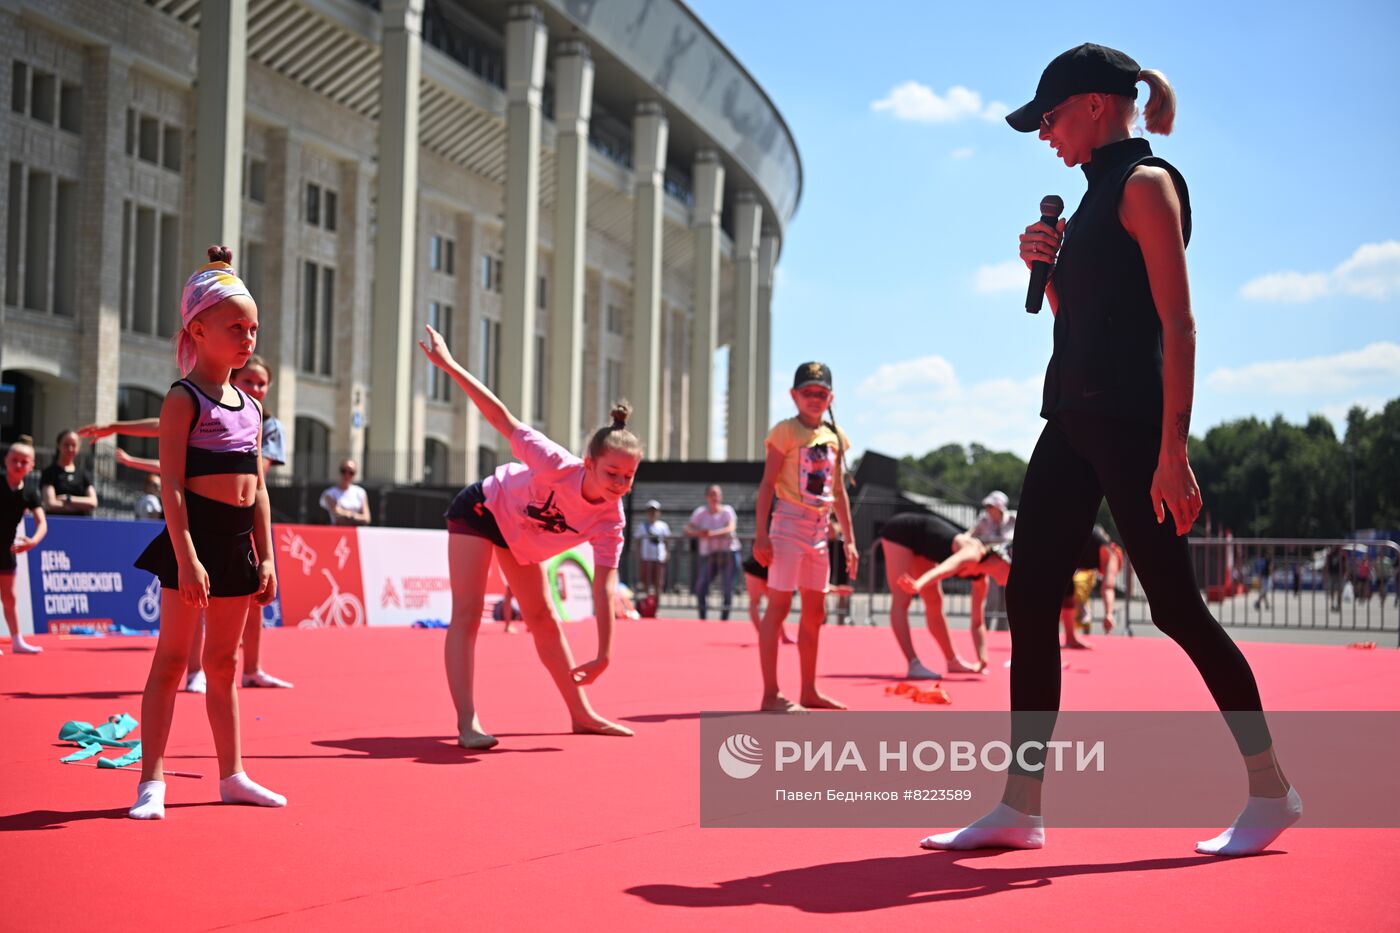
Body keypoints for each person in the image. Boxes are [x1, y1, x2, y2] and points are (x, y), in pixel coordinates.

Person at [921, 45, 1299, 858]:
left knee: (1176, 608)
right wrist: (1046, 269)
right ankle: (1020, 807)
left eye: (1050, 118)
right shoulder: (1089, 201)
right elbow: (1085, 317)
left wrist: (1175, 449)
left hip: (1132, 428)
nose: (1045, 134)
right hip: (1069, 424)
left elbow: (1178, 325)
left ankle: (1271, 789)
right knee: (1027, 600)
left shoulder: (1145, 186)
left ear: (1095, 105)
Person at [421, 323, 636, 749]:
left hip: (519, 539)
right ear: (589, 463)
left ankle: (581, 713)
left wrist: (605, 653)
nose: (619, 483)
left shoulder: (611, 519)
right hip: (483, 510)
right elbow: (500, 416)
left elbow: (604, 586)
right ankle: (468, 722)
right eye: (612, 472)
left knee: (542, 618)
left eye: (629, 477)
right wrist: (448, 365)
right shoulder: (556, 462)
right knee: (467, 613)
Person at [128, 246, 282, 820]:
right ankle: (151, 780)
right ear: (198, 329)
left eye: (254, 328)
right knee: (171, 661)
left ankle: (232, 774)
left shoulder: (250, 405)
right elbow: (171, 486)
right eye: (236, 327)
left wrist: (266, 557)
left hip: (239, 546)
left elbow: (258, 488)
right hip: (192, 542)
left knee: (224, 664)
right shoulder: (182, 399)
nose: (248, 338)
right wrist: (188, 558)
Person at [82, 358, 295, 693]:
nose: (255, 388)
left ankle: (252, 668)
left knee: (253, 606)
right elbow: (166, 429)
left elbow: (257, 479)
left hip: (244, 523)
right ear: (234, 377)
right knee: (197, 600)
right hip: (207, 518)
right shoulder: (199, 401)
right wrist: (116, 426)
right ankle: (197, 670)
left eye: (261, 383)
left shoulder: (264, 423)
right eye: (249, 381)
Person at [753, 362, 858, 712]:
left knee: (815, 613)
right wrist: (761, 534)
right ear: (794, 395)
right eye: (808, 392)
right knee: (778, 608)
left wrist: (850, 541)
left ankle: (809, 690)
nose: (815, 399)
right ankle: (771, 693)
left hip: (819, 530)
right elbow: (767, 484)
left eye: (821, 393)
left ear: (831, 398)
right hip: (787, 525)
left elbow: (839, 490)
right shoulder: (784, 432)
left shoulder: (834, 437)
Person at [881, 511, 1011, 678]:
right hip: (902, 531)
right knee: (902, 598)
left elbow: (978, 622)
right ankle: (913, 664)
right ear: (1002, 561)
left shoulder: (981, 581)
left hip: (923, 544)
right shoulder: (973, 553)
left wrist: (982, 656)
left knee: (934, 600)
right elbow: (945, 568)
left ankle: (952, 661)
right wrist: (918, 584)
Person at [1, 436, 47, 655]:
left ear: (32, 466)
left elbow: (42, 523)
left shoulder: (30, 492)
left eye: (24, 461)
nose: (18, 464)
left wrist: (34, 540)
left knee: (9, 597)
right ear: (6, 460)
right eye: (14, 460)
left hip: (7, 550)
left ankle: (17, 641)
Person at [1059, 525, 1122, 648]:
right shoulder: (1112, 555)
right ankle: (1067, 638)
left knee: (1067, 589)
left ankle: (1070, 638)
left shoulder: (1097, 547)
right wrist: (1109, 613)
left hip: (1060, 543)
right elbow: (1108, 587)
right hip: (1059, 543)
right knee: (1065, 589)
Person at [686, 485, 741, 620]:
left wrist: (711, 534)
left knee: (727, 589)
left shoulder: (728, 511)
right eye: (711, 494)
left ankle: (724, 619)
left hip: (729, 554)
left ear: (721, 496)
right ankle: (703, 617)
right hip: (710, 555)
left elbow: (731, 528)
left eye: (716, 494)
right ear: (707, 497)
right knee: (701, 587)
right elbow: (688, 529)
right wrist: (700, 533)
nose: (714, 497)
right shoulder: (700, 513)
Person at [40, 430, 98, 517]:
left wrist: (68, 499)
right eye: (66, 445)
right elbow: (50, 504)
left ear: (78, 448)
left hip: (81, 524)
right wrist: (81, 506)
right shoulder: (49, 473)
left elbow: (93, 502)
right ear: (58, 445)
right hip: (56, 523)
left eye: (74, 445)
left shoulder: (84, 474)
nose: (70, 449)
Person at [742, 552, 794, 645]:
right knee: (755, 601)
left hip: (768, 569)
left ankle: (783, 635)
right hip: (755, 568)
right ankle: (763, 635)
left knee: (774, 603)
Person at [634, 499, 670, 597]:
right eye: (650, 511)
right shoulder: (641, 527)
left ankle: (656, 605)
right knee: (645, 582)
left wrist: (667, 553)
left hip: (659, 558)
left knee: (658, 582)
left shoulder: (663, 526)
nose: (652, 513)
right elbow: (637, 542)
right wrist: (639, 555)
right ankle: (647, 602)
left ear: (658, 513)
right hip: (646, 558)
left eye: (654, 511)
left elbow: (667, 541)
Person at [320, 460, 370, 526]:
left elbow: (366, 518)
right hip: (337, 531)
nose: (347, 475)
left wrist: (348, 515)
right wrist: (356, 516)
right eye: (343, 471)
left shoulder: (360, 492)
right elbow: (336, 513)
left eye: (351, 472)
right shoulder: (329, 493)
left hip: (355, 532)